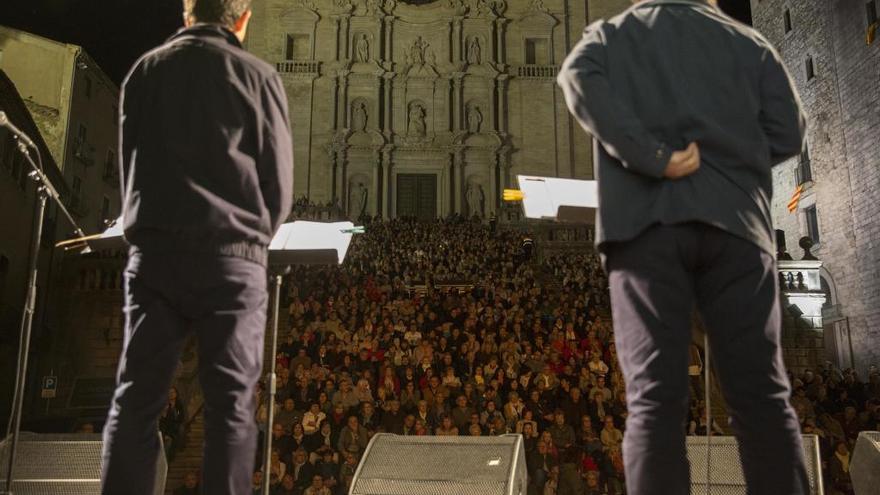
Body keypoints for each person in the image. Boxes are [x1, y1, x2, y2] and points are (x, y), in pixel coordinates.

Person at [557, 0, 809, 494]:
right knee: (763, 399)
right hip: (738, 229)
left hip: (646, 228)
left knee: (654, 402)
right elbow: (789, 133)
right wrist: (730, 165)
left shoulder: (612, 36)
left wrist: (653, 157)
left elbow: (576, 79)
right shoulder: (750, 44)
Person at [101, 0, 293, 493]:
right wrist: (248, 238)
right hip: (233, 261)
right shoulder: (259, 75)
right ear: (243, 19)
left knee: (136, 401)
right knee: (231, 408)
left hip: (157, 256)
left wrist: (149, 229)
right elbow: (279, 188)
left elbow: (131, 172)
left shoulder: (146, 70)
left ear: (187, 15)